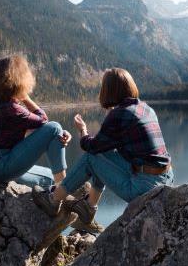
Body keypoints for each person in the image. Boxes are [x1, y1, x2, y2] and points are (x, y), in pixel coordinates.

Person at [33, 68, 173, 232]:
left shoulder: (119, 115)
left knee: (92, 157)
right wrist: (111, 116)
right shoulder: (145, 108)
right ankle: (88, 207)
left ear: (109, 90)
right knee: (103, 154)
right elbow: (108, 145)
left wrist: (83, 130)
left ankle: (53, 200)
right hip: (165, 177)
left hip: (144, 188)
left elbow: (90, 146)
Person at [0, 55, 71, 189]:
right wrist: (25, 98)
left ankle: (60, 188)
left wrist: (60, 134)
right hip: (0, 165)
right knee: (55, 127)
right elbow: (44, 120)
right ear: (19, 81)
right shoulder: (11, 108)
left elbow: (33, 130)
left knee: (49, 177)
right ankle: (64, 191)